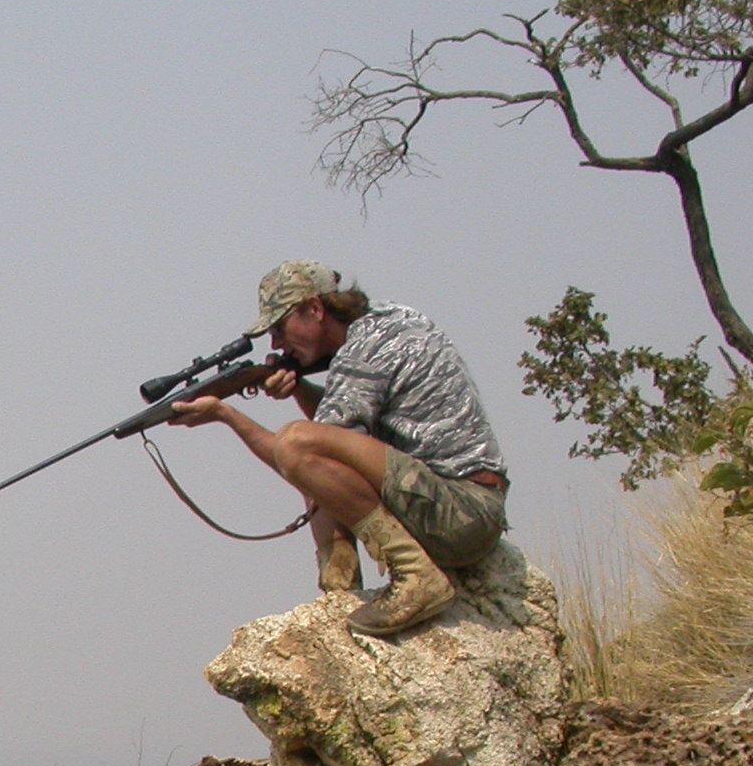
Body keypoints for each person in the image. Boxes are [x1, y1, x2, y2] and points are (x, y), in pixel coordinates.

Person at [168, 260, 510, 638]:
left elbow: (300, 455)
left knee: (298, 443)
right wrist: (299, 387)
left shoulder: (366, 348)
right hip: (455, 508)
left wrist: (227, 415)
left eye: (281, 327)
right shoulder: (388, 321)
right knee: (311, 450)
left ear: (315, 309)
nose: (277, 344)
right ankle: (340, 592)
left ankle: (416, 575)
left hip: (461, 514)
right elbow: (345, 441)